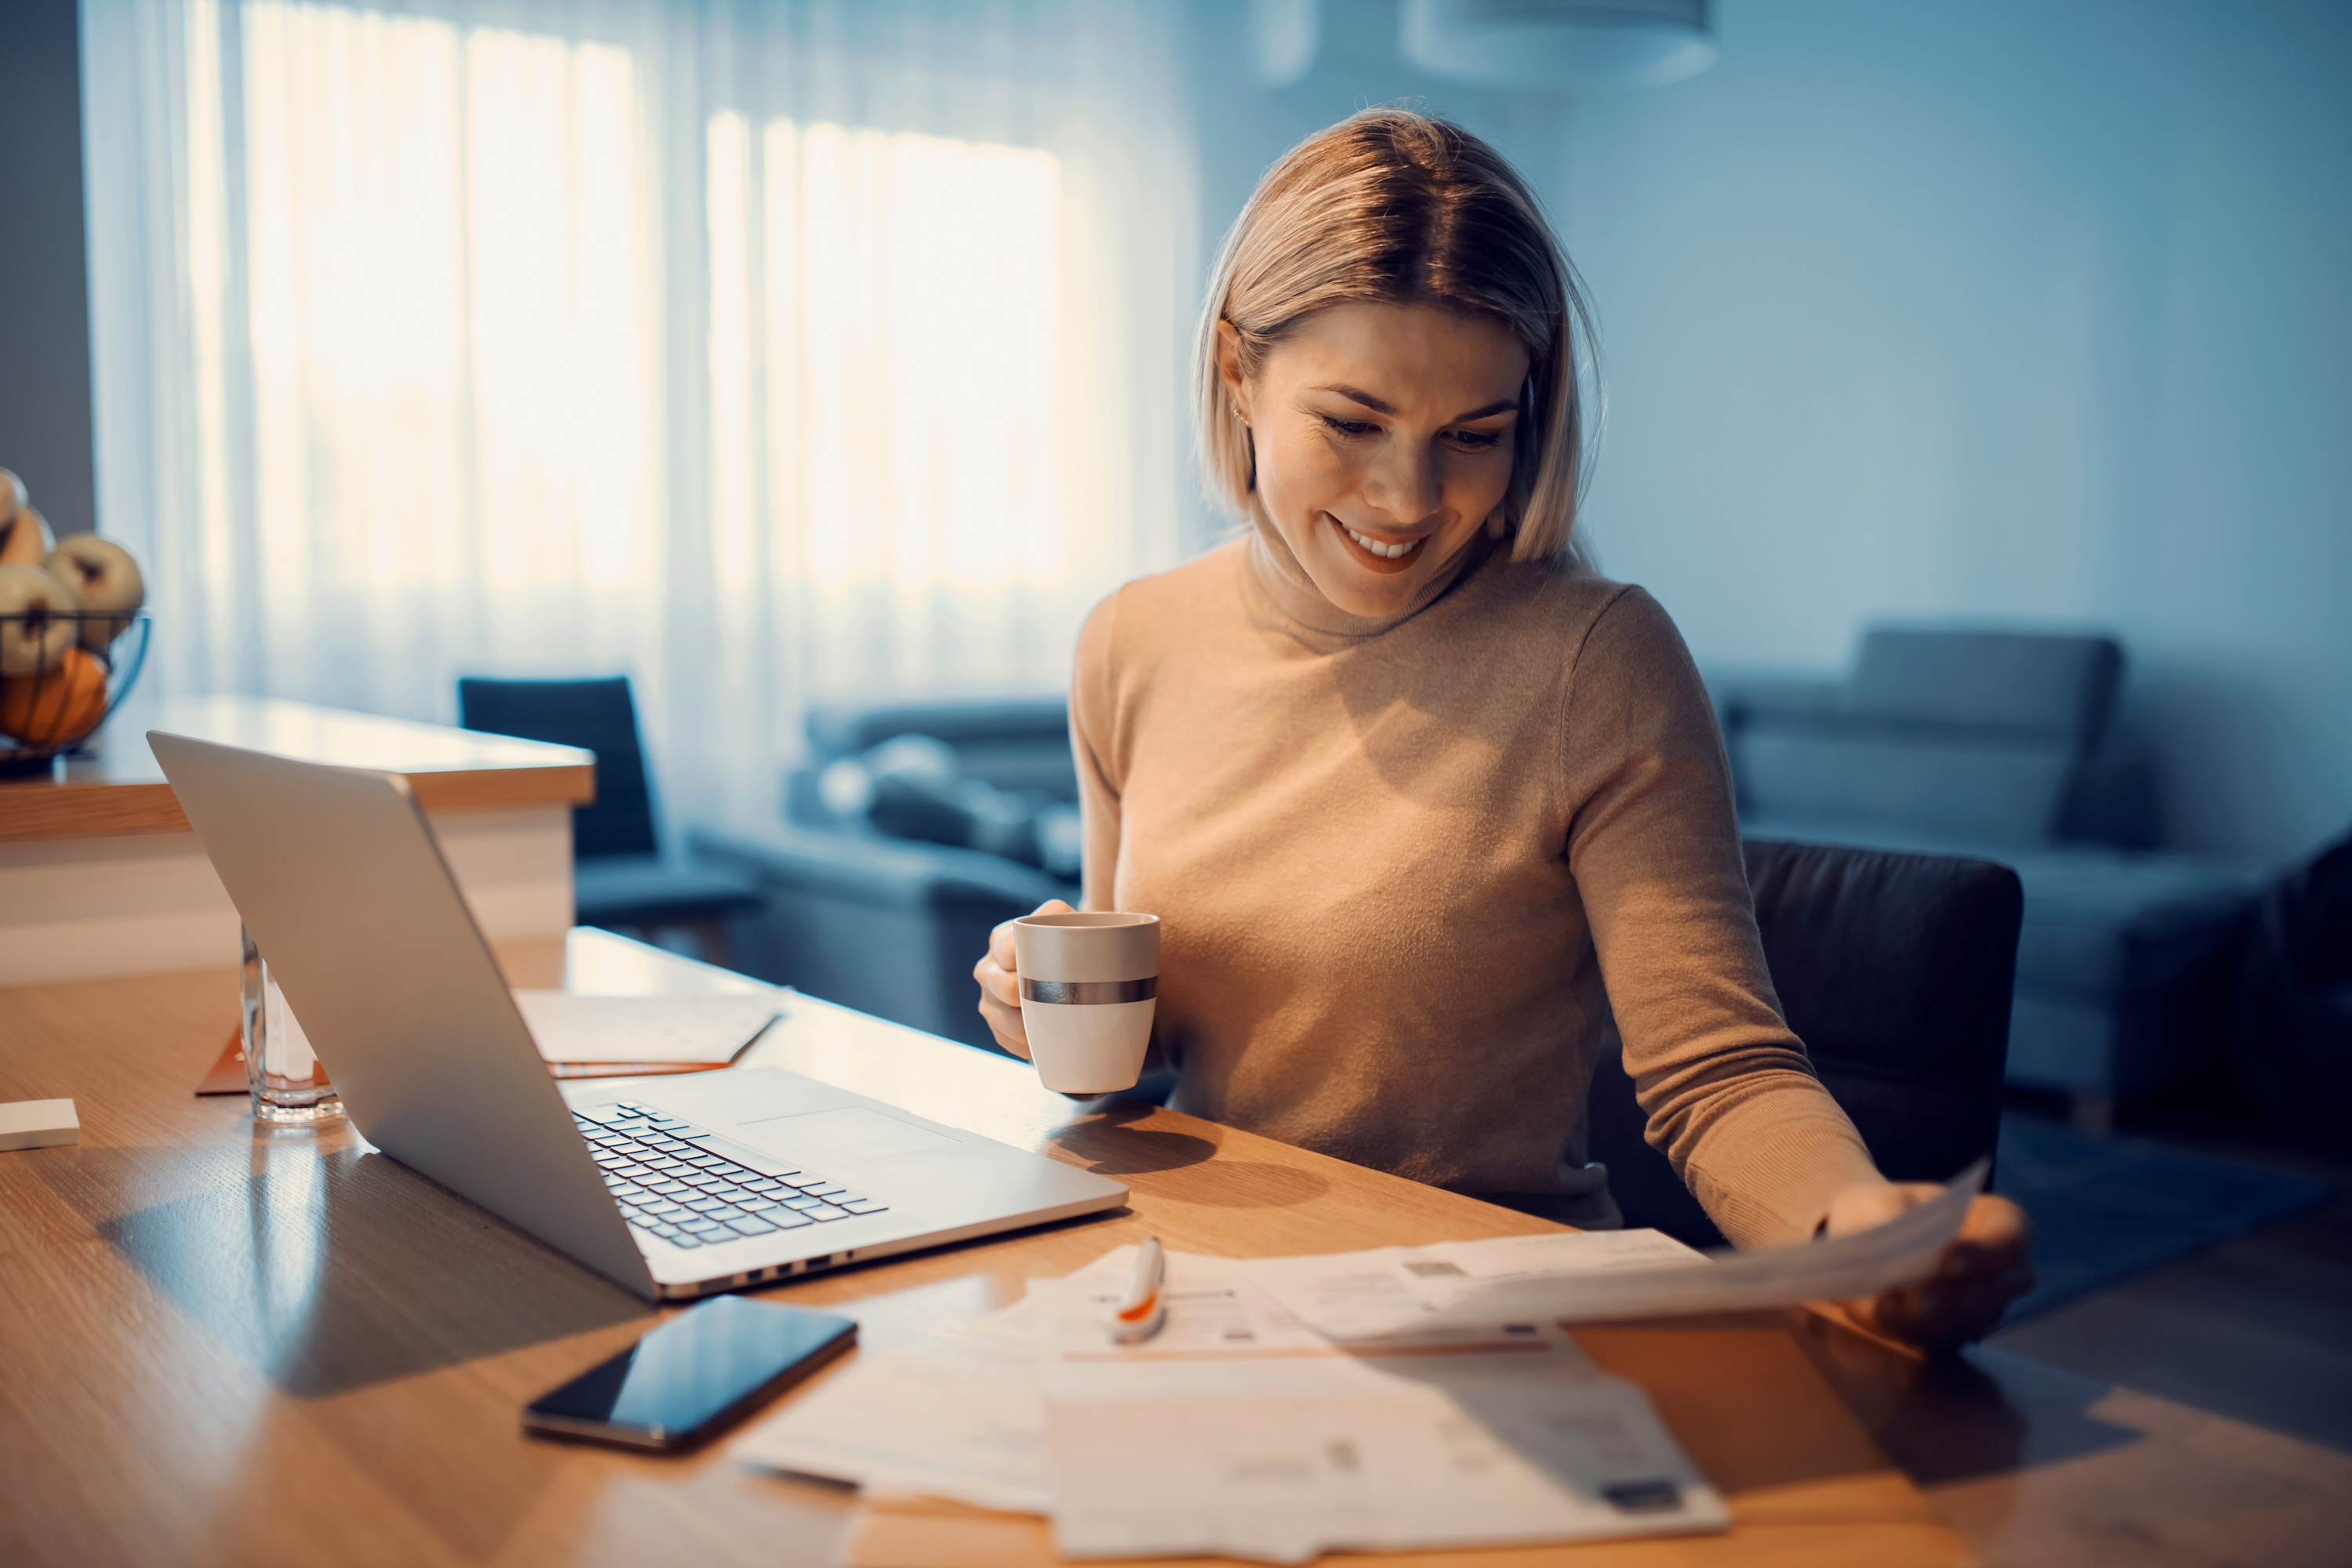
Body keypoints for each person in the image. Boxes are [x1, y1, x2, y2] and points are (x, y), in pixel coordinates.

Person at [974, 108, 2031, 1349]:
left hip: (1483, 1317)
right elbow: (1137, 1053)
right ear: (1235, 371)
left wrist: (1862, 1232)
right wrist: (1041, 1011)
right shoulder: (1130, 641)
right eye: (1353, 424)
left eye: (1474, 437)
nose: (1411, 501)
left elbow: (1717, 1073)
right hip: (1206, 1292)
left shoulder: (1598, 657)